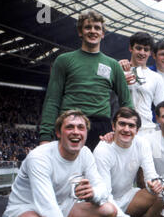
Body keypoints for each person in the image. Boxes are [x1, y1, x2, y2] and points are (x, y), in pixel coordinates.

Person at [39, 11, 132, 151]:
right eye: (88, 27)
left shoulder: (113, 65)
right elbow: (52, 100)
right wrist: (45, 137)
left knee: (99, 172)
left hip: (101, 127)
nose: (93, 31)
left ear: (103, 33)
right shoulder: (63, 60)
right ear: (80, 32)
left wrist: (127, 129)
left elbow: (127, 102)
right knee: (69, 171)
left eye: (97, 28)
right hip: (71, 121)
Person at [93, 107, 164, 217]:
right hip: (104, 208)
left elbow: (150, 175)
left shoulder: (142, 144)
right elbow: (104, 196)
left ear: (137, 129)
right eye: (122, 124)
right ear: (113, 126)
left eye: (131, 126)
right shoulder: (103, 150)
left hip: (128, 197)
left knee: (160, 193)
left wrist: (153, 183)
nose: (126, 129)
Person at [119, 32, 164, 135]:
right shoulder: (119, 70)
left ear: (150, 53)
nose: (142, 53)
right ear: (131, 48)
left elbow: (162, 109)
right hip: (123, 127)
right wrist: (119, 75)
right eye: (138, 48)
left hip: (146, 129)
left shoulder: (156, 78)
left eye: (146, 50)